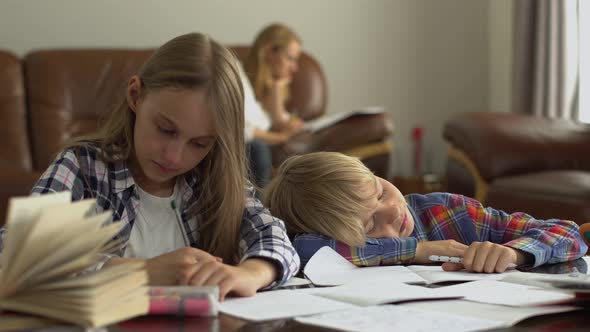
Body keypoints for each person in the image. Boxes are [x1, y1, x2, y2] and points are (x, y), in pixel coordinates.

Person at [0, 32, 300, 301]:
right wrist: (138, 272)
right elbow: (15, 256)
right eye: (165, 130)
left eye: (199, 143)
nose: (173, 156)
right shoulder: (82, 167)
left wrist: (252, 273)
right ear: (135, 96)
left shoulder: (214, 179)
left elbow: (275, 238)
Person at [264, 152, 588, 273]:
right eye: (370, 223)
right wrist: (417, 250)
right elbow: (303, 249)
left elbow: (572, 233)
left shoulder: (447, 212)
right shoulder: (321, 247)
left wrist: (515, 254)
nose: (392, 209)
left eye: (380, 190)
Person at [241, 23, 305, 187]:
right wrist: (282, 137)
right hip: (247, 143)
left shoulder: (265, 87)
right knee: (258, 148)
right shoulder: (240, 77)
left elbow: (277, 121)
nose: (295, 67)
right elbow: (245, 130)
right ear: (269, 52)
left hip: (255, 143)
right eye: (290, 58)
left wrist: (276, 88)